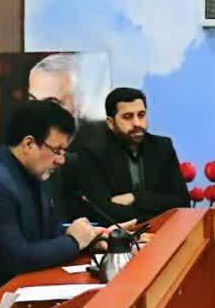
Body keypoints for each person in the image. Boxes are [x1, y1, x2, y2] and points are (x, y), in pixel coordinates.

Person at [0, 101, 103, 295]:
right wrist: (73, 242)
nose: (61, 160)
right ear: (28, 144)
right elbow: (16, 259)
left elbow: (47, 232)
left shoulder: (34, 171)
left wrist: (89, 238)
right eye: (57, 150)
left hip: (23, 285)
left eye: (64, 152)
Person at [64, 88, 189, 224]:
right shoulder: (92, 153)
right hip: (118, 234)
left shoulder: (162, 147)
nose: (137, 123)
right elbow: (101, 211)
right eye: (128, 117)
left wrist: (136, 198)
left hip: (164, 230)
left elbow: (182, 202)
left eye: (141, 115)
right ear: (110, 123)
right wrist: (155, 212)